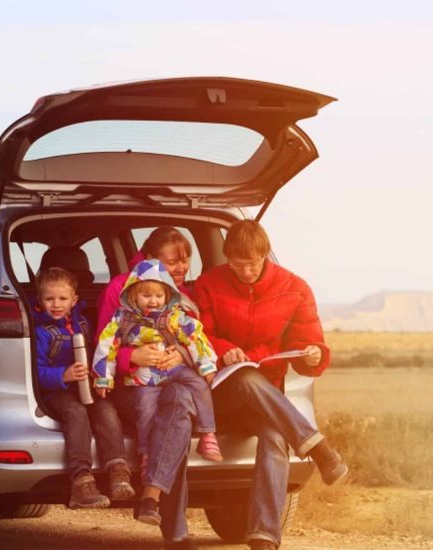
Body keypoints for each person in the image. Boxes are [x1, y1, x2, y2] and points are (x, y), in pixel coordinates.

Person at [194, 219, 348, 550]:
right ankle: (318, 448)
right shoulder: (208, 285)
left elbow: (310, 342)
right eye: (238, 264)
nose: (247, 271)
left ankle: (264, 536)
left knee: (275, 434)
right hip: (219, 395)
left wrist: (312, 354)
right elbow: (197, 335)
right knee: (246, 377)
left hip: (266, 396)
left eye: (253, 263)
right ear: (226, 257)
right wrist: (222, 350)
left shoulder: (294, 288)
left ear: (265, 254)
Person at [96, 226, 197, 546]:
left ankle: (152, 499)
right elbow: (102, 342)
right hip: (132, 385)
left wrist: (179, 353)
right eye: (173, 262)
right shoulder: (119, 288)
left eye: (186, 260)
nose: (181, 268)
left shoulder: (186, 297)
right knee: (173, 416)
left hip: (174, 382)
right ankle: (175, 530)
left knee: (179, 404)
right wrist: (131, 355)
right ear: (151, 258)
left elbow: (198, 342)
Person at [32, 267, 135, 509]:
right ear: (39, 300)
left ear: (74, 300)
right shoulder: (40, 332)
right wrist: (63, 375)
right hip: (54, 391)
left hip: (84, 384)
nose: (56, 305)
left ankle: (118, 471)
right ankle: (81, 482)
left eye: (62, 299)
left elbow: (99, 351)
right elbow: (36, 373)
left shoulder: (82, 322)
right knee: (76, 413)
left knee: (105, 409)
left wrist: (97, 375)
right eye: (49, 299)